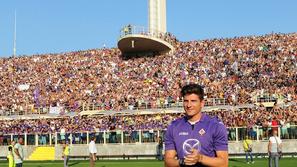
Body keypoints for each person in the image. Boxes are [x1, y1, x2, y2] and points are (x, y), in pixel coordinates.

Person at [164, 84, 228, 167]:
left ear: (202, 103)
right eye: (186, 101)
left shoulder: (215, 126)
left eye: (193, 101)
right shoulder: (173, 126)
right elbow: (168, 162)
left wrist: (200, 158)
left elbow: (223, 163)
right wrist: (182, 162)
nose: (189, 105)